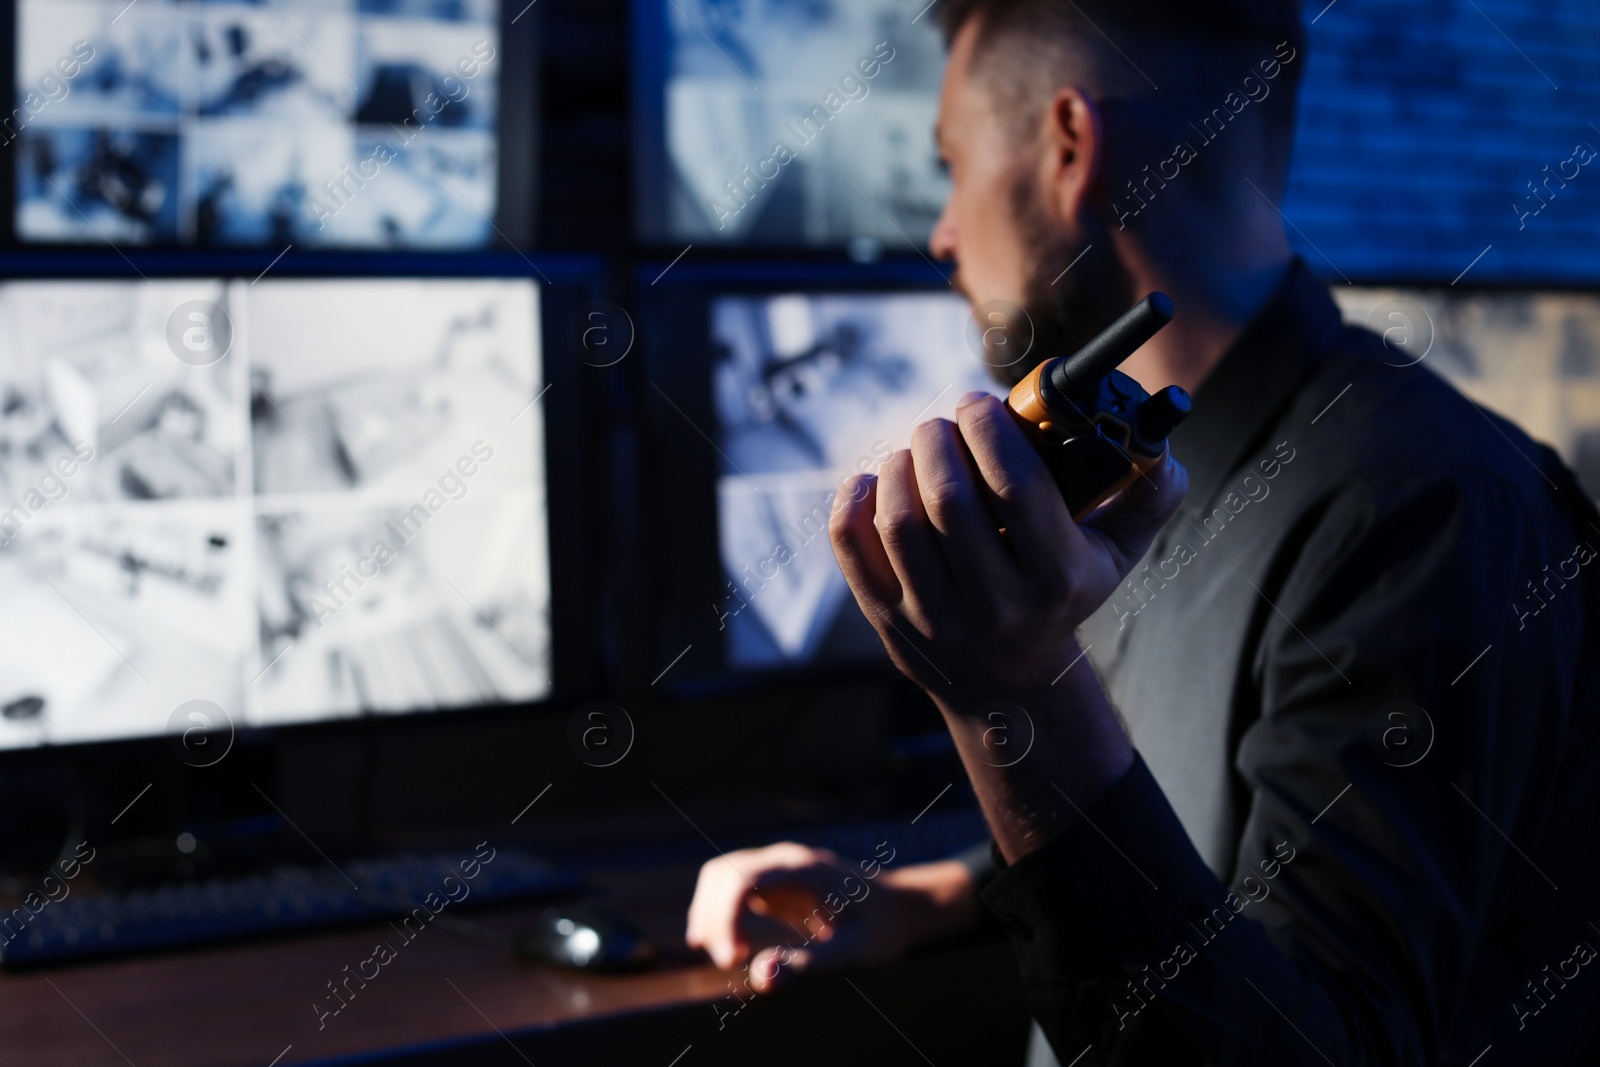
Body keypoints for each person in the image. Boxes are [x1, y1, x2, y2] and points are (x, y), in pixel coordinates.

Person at [685, 1, 1600, 1062]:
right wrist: (933, 897)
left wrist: (1012, 700)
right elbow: (1196, 858)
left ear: (1069, 145)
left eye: (951, 166)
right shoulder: (1147, 474)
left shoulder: (1422, 510)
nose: (940, 232)